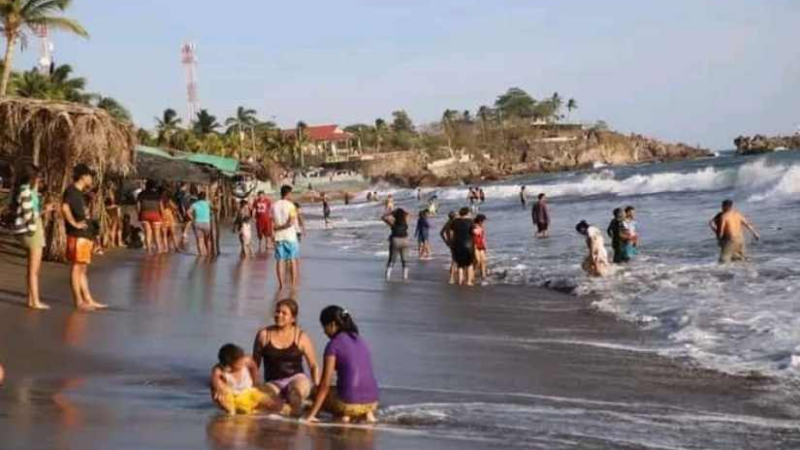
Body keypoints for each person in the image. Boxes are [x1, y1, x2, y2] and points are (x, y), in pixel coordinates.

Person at [304, 306, 379, 424]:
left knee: (314, 391)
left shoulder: (333, 345)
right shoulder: (360, 340)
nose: (324, 332)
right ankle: (365, 415)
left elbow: (325, 385)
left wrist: (310, 415)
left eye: (324, 327)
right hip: (373, 403)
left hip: (348, 404)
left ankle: (344, 415)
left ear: (333, 325)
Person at [252, 299, 320, 417]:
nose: (279, 315)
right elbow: (254, 365)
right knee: (263, 400)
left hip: (297, 379)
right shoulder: (263, 335)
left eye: (284, 313)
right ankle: (289, 408)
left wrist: (317, 388)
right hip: (273, 382)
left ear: (293, 318)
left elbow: (314, 365)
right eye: (277, 312)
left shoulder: (301, 337)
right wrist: (252, 385)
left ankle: (298, 414)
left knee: (294, 395)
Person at [62, 164, 107, 310]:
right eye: (90, 175)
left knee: (82, 268)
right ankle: (79, 301)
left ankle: (88, 299)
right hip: (78, 235)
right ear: (83, 176)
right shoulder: (72, 191)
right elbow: (64, 207)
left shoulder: (80, 193)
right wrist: (74, 223)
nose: (91, 178)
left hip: (84, 235)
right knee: (77, 267)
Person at [12, 164, 51, 309]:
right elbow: (30, 216)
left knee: (31, 269)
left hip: (33, 230)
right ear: (31, 177)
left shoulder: (28, 190)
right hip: (32, 231)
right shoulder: (25, 193)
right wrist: (44, 211)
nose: (39, 179)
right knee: (34, 270)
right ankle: (35, 301)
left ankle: (31, 299)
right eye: (37, 176)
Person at [210, 344, 281, 415]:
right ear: (229, 364)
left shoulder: (247, 361)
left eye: (242, 358)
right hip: (234, 397)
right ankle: (233, 414)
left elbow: (254, 368)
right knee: (228, 401)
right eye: (239, 361)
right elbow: (215, 381)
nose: (242, 362)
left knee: (274, 404)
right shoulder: (220, 370)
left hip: (250, 392)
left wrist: (255, 383)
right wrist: (218, 389)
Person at [272, 186, 300, 289]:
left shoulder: (274, 205)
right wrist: (281, 227)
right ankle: (293, 284)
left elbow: (272, 222)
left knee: (280, 261)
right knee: (292, 260)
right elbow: (291, 222)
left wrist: (276, 229)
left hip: (278, 237)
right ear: (288, 194)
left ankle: (281, 285)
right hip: (290, 236)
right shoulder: (291, 206)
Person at [715, 199, 760, 264]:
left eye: (722, 206)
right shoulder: (737, 214)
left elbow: (721, 230)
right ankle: (745, 272)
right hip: (741, 239)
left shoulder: (724, 216)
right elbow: (747, 224)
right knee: (740, 259)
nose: (721, 208)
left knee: (723, 260)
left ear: (725, 206)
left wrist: (719, 240)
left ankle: (723, 273)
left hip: (731, 240)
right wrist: (755, 233)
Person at [137, 180, 165, 254]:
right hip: (155, 214)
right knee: (156, 233)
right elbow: (161, 206)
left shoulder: (141, 194)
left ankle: (149, 250)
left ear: (146, 185)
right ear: (154, 186)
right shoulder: (157, 195)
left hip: (144, 213)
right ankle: (159, 250)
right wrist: (163, 216)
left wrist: (139, 214)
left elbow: (138, 206)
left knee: (147, 233)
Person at [381, 208, 410, 281]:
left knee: (392, 259)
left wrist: (390, 213)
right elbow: (408, 214)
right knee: (404, 260)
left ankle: (388, 277)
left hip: (395, 240)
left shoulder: (393, 223)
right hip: (405, 240)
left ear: (395, 216)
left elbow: (383, 217)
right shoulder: (405, 223)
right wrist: (402, 213)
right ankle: (405, 277)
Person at [450, 208, 476, 286]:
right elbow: (473, 232)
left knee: (460, 264)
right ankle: (468, 281)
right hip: (468, 244)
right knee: (469, 264)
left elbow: (452, 233)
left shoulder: (455, 221)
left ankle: (460, 281)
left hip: (457, 244)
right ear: (467, 213)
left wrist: (452, 243)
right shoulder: (471, 221)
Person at [188, 192, 212, 257]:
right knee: (208, 240)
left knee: (199, 240)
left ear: (198, 197)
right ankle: (209, 254)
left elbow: (188, 212)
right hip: (207, 223)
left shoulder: (194, 204)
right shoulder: (208, 203)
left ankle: (201, 254)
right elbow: (214, 209)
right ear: (205, 197)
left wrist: (193, 219)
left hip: (197, 222)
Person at [440, 211, 458, 283]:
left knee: (454, 259)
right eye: (456, 215)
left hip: (450, 243)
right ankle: (451, 278)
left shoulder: (447, 223)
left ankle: (453, 275)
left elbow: (441, 233)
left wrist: (446, 241)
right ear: (454, 216)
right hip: (455, 242)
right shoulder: (454, 224)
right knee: (455, 260)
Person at [473, 214, 488, 282]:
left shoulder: (481, 226)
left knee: (483, 260)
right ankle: (472, 274)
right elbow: (474, 234)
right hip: (475, 244)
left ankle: (483, 276)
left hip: (481, 245)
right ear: (479, 220)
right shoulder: (473, 225)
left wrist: (485, 246)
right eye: (482, 221)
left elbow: (483, 237)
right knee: (478, 261)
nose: (483, 222)